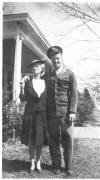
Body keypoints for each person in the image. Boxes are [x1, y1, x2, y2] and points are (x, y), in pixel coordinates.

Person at [46, 46, 78, 175]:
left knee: (68, 139)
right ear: (51, 61)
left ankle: (69, 166)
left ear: (62, 58)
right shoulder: (47, 76)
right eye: (53, 59)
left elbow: (74, 94)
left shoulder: (70, 74)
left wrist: (72, 111)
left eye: (58, 58)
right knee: (53, 140)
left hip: (66, 113)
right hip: (51, 114)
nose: (56, 61)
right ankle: (56, 166)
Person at [19, 59, 46, 173]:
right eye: (33, 67)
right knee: (31, 140)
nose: (35, 68)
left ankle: (38, 162)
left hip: (42, 114)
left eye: (38, 67)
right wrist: (21, 86)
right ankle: (31, 162)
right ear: (31, 69)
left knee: (39, 140)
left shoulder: (46, 82)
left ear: (41, 69)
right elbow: (22, 99)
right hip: (30, 114)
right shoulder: (28, 82)